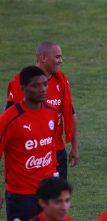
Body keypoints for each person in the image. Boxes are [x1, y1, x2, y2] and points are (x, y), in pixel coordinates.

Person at [6, 41, 79, 179]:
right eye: (57, 57)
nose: (61, 61)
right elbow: (8, 120)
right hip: (29, 153)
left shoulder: (61, 82)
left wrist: (74, 147)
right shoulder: (20, 83)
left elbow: (71, 114)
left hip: (56, 151)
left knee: (58, 197)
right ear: (43, 58)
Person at [0, 66, 59, 221]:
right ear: (23, 88)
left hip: (48, 193)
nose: (42, 89)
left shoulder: (52, 112)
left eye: (45, 84)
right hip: (21, 196)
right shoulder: (9, 119)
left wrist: (55, 177)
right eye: (36, 85)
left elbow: (51, 147)